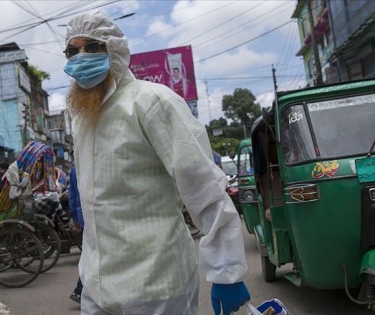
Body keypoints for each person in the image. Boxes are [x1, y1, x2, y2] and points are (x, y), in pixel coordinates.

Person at [64, 11, 249, 315]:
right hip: (97, 289)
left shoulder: (151, 102)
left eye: (91, 47)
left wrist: (227, 271)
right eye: (72, 51)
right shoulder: (83, 121)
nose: (80, 58)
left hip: (157, 287)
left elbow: (204, 188)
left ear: (113, 50)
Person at [68, 164, 84, 304]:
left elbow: (71, 195)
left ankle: (79, 290)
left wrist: (75, 217)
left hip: (83, 215)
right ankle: (79, 290)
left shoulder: (74, 169)